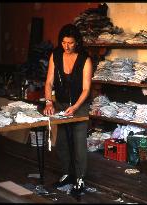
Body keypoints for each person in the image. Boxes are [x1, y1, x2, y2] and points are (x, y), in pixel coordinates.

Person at [43, 23, 92, 195]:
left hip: (80, 105)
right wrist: (49, 102)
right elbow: (49, 82)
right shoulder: (55, 55)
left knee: (79, 143)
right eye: (64, 42)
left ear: (77, 42)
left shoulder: (85, 59)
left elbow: (86, 89)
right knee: (62, 142)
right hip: (62, 104)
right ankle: (67, 174)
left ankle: (80, 179)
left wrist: (76, 106)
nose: (67, 46)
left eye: (70, 43)